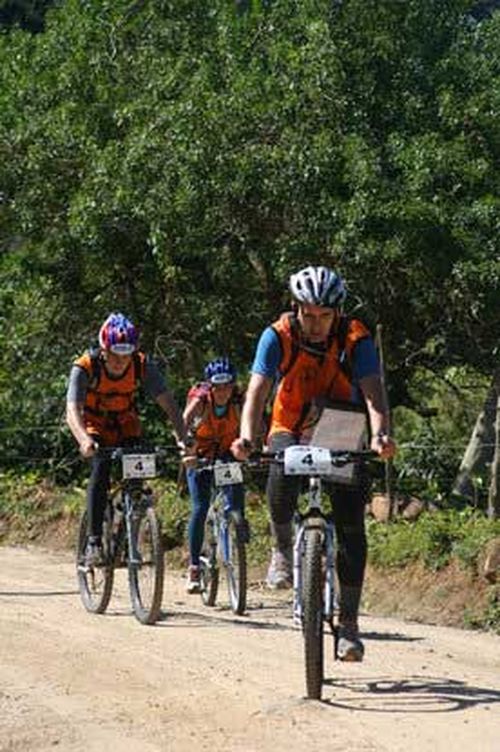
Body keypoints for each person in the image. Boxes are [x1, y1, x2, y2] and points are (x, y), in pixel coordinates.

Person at [232, 265, 396, 661]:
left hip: (342, 422)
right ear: (296, 308)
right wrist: (247, 437)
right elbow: (257, 392)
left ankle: (350, 625)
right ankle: (283, 549)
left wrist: (379, 435)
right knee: (281, 471)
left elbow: (374, 393)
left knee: (352, 524)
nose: (317, 324)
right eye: (310, 314)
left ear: (337, 314)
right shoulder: (277, 336)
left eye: (325, 316)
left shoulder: (356, 338)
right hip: (289, 421)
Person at [66, 312, 186, 565]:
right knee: (101, 470)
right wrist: (84, 440)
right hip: (94, 426)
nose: (121, 361)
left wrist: (182, 436)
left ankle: (130, 529)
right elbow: (72, 411)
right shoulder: (85, 366)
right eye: (115, 354)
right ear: (103, 349)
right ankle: (94, 541)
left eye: (126, 354)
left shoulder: (142, 365)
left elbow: (170, 405)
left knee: (137, 477)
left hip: (126, 425)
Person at [183, 357, 248, 593]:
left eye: (227, 386)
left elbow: (254, 428)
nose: (222, 392)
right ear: (210, 386)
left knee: (236, 498)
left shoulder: (239, 402)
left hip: (226, 453)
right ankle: (193, 567)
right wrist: (185, 452)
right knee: (200, 507)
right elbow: (181, 425)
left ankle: (238, 534)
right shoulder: (200, 402)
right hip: (199, 455)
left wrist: (252, 448)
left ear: (233, 386)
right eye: (217, 387)